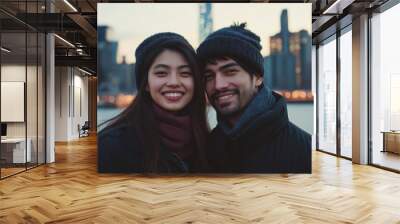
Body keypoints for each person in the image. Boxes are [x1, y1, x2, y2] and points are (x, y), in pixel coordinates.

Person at [196, 23, 311, 173]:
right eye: (209, 76)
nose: (218, 85)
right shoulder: (207, 149)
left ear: (258, 77)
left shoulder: (304, 150)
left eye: (230, 71)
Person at [98, 32, 209, 173]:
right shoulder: (111, 147)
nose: (174, 82)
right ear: (146, 84)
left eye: (185, 73)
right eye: (161, 73)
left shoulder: (210, 144)